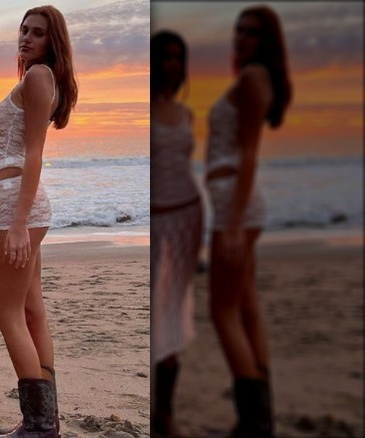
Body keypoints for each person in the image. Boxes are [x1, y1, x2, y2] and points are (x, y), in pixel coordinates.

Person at [0, 6, 77, 438]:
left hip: (21, 208)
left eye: (37, 33)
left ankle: (39, 425)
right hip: (23, 206)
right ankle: (47, 423)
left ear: (51, 42)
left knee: (6, 311)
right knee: (31, 309)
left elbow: (34, 154)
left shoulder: (39, 77)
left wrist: (19, 222)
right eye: (23, 30)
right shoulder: (38, 79)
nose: (25, 38)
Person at [205, 6, 291, 437]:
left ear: (266, 40)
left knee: (221, 311)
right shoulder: (253, 78)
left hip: (235, 205)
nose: (242, 38)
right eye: (239, 30)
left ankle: (255, 423)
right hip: (236, 203)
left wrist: (234, 221)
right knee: (247, 307)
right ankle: (262, 420)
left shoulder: (254, 78)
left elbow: (249, 154)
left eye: (252, 32)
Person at [149, 30, 203, 438]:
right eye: (163, 56)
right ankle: (159, 414)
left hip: (188, 219)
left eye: (176, 57)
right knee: (158, 314)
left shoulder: (185, 114)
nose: (170, 64)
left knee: (175, 315)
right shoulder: (147, 112)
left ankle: (165, 414)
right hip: (157, 223)